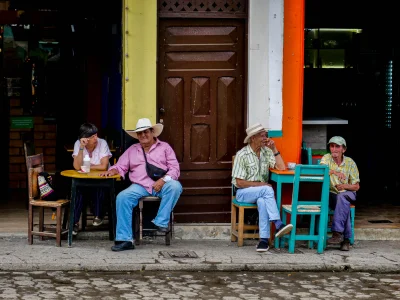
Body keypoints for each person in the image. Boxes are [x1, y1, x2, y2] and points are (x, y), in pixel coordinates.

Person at [100, 118, 182, 252]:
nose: (143, 135)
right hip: (140, 186)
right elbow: (120, 166)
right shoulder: (132, 149)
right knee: (122, 197)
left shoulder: (165, 147)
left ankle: (161, 222)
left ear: (152, 132)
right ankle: (125, 239)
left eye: (146, 132)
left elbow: (174, 169)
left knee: (176, 186)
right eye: (140, 133)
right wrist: (112, 171)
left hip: (162, 185)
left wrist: (163, 180)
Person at [232, 123, 293, 252]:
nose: (265, 138)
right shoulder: (242, 155)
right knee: (267, 189)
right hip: (243, 193)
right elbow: (239, 182)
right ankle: (278, 223)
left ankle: (263, 241)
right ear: (253, 138)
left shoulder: (266, 152)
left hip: (261, 193)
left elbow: (281, 168)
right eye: (262, 136)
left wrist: (274, 149)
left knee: (262, 201)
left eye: (266, 135)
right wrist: (261, 185)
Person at [320, 136, 360, 251]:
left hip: (349, 193)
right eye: (332, 146)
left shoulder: (350, 162)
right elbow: (321, 169)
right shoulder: (327, 158)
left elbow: (356, 186)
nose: (334, 149)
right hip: (332, 194)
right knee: (343, 203)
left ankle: (337, 233)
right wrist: (335, 172)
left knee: (343, 197)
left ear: (344, 149)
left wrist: (344, 186)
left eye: (337, 146)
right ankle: (346, 240)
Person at [72, 123, 112, 235]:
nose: (96, 138)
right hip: (85, 179)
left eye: (96, 135)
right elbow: (76, 166)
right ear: (85, 139)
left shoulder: (102, 143)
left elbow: (104, 166)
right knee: (78, 191)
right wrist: (81, 148)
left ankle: (98, 215)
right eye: (92, 136)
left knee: (98, 188)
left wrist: (86, 167)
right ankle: (74, 223)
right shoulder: (78, 144)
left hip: (100, 179)